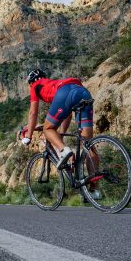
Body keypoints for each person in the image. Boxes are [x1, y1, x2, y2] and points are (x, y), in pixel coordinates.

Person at [21, 69, 101, 199]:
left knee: (47, 129)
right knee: (88, 143)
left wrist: (28, 136)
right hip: (83, 91)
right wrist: (61, 134)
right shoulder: (52, 83)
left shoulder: (35, 86)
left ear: (31, 82)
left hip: (65, 92)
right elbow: (67, 114)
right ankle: (94, 190)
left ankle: (65, 151)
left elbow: (33, 113)